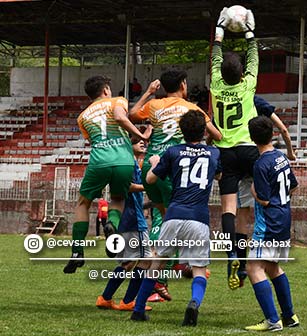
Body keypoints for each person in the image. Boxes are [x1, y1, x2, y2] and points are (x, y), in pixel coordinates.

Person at [130, 110, 220, 326]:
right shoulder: (214, 154)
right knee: (198, 268)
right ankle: (194, 303)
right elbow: (219, 175)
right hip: (198, 217)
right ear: (203, 130)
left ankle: (138, 308)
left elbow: (150, 180)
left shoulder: (173, 151)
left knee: (157, 263)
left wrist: (153, 162)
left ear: (181, 131)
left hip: (173, 215)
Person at [64, 75, 149, 274]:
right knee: (118, 198)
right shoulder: (117, 101)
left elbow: (93, 140)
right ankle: (112, 225)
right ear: (106, 91)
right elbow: (119, 117)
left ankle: (77, 251)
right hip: (123, 161)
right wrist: (141, 134)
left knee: (83, 203)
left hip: (99, 161)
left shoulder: (83, 117)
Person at [210, 6, 259, 289]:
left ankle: (232, 257)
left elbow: (215, 58)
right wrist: (250, 32)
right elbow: (254, 58)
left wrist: (218, 31)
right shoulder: (248, 85)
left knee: (228, 208)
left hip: (226, 151)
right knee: (249, 209)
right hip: (249, 149)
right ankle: (253, 255)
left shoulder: (216, 84)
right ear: (242, 73)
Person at [129, 70, 221, 217]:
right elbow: (217, 135)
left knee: (165, 216)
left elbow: (132, 114)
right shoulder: (192, 108)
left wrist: (149, 92)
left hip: (149, 166)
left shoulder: (153, 105)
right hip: (173, 167)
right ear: (182, 85)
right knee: (175, 217)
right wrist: (207, 145)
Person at [244, 115, 299, 331]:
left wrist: (253, 192)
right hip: (284, 218)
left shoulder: (260, 164)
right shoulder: (281, 157)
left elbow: (264, 199)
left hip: (268, 223)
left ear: (251, 137)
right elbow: (294, 186)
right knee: (273, 267)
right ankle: (289, 316)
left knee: (253, 267)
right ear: (272, 134)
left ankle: (272, 320)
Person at [96, 129, 153, 312]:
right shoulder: (129, 163)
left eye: (144, 141)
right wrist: (148, 187)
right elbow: (126, 187)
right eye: (138, 141)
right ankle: (128, 301)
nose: (143, 143)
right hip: (133, 220)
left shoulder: (128, 162)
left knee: (127, 263)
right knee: (147, 260)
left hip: (124, 219)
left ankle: (105, 298)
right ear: (130, 145)